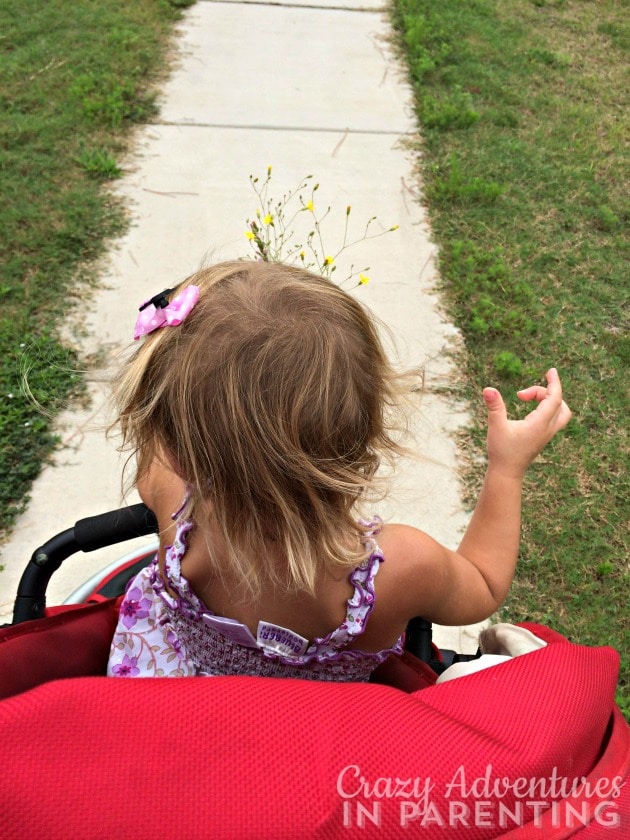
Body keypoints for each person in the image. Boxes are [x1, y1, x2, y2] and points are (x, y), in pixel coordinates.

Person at [107, 260, 572, 680]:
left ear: (179, 451)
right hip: (318, 736)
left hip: (174, 707)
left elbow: (161, 445)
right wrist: (506, 469)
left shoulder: (171, 500)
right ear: (365, 434)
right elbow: (484, 584)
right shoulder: (402, 567)